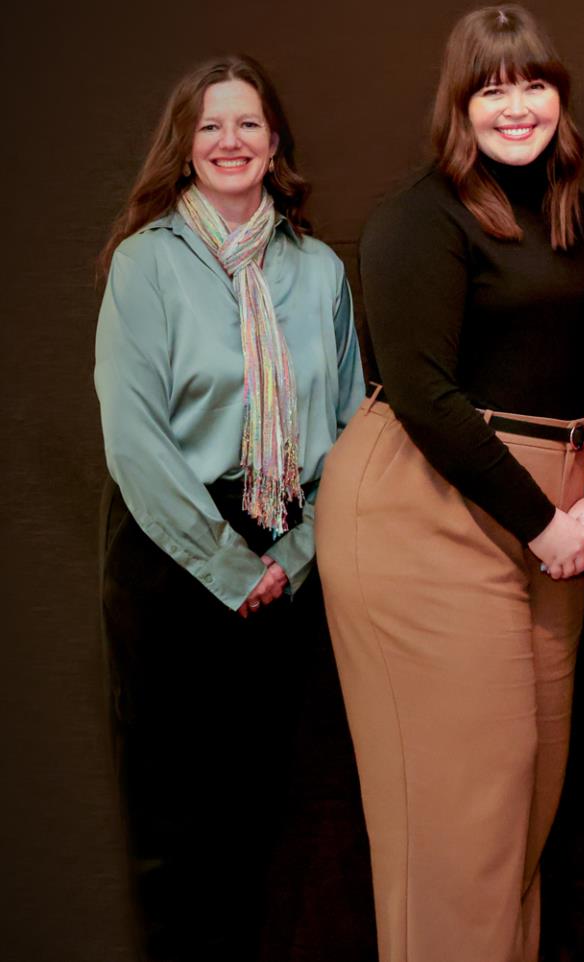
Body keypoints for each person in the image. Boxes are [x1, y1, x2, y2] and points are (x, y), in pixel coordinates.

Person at [315, 4, 584, 962]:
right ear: (460, 105)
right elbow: (421, 393)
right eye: (492, 89)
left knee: (520, 814)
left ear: (558, 94)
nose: (516, 106)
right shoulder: (419, 216)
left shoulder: (575, 207)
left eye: (532, 83)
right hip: (428, 511)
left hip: (554, 511)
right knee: (459, 827)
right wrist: (545, 524)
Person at [95, 55, 363, 961]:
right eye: (211, 126)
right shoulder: (146, 264)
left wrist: (300, 551)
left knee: (265, 812)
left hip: (290, 555)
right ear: (184, 145)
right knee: (177, 823)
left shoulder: (319, 272)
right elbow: (134, 439)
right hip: (174, 553)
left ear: (274, 141)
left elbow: (355, 429)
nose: (230, 141)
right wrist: (227, 565)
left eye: (247, 124)